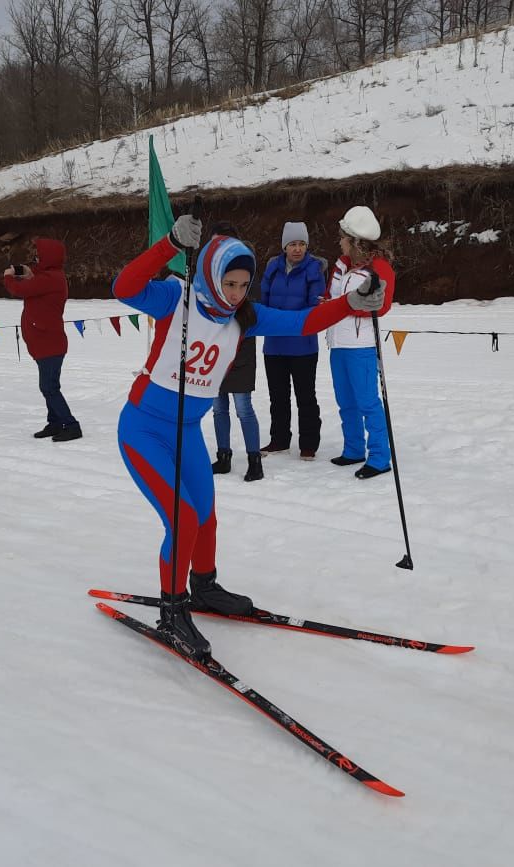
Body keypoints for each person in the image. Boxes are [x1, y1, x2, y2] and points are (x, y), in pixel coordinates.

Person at [113, 212, 385, 657]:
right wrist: (168, 245)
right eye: (230, 284)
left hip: (186, 431)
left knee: (205, 517)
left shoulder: (246, 317)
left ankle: (203, 587)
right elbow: (123, 287)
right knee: (182, 520)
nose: (237, 294)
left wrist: (354, 302)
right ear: (211, 275)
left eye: (244, 285)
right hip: (143, 429)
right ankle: (172, 609)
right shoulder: (174, 298)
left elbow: (304, 324)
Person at [324, 206, 396, 480]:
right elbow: (332, 296)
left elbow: (382, 305)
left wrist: (344, 307)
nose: (340, 241)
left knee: (368, 402)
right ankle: (354, 448)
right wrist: (329, 305)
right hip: (338, 343)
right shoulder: (342, 265)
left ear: (355, 240)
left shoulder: (379, 268)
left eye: (343, 237)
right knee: (346, 401)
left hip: (362, 345)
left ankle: (379, 457)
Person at [259, 221, 327, 460]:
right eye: (293, 244)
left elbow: (313, 307)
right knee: (278, 396)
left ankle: (308, 444)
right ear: (284, 247)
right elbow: (265, 303)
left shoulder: (314, 269)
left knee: (305, 396)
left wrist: (287, 321)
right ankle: (279, 440)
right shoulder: (272, 268)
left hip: (303, 346)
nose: (297, 249)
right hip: (274, 345)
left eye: (302, 244)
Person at [3, 238, 82, 442]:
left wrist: (8, 277)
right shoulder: (49, 275)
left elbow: (20, 290)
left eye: (39, 255)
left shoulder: (51, 279)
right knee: (49, 386)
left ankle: (71, 425)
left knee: (49, 387)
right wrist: (27, 272)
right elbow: (35, 275)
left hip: (50, 344)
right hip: (46, 343)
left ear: (49, 258)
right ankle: (55, 422)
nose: (36, 259)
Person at [208, 220, 263, 482]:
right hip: (215, 350)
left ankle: (255, 461)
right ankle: (223, 456)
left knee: (243, 408)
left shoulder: (246, 268)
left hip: (240, 348)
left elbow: (256, 305)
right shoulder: (209, 271)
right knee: (218, 408)